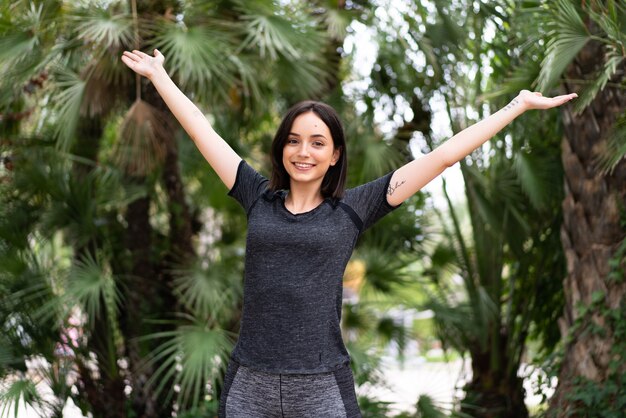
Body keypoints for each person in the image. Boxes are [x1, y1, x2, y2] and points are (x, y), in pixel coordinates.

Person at [121, 48, 577, 418]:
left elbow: (441, 157)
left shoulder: (354, 209)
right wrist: (160, 77)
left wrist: (517, 105)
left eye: (318, 142)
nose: (304, 151)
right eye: (294, 140)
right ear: (281, 148)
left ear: (335, 154)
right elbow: (203, 131)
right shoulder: (254, 195)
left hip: (321, 386)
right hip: (250, 383)